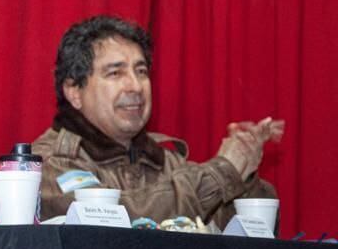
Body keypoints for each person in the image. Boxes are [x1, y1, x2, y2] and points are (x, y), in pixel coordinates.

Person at [32, 15, 281, 226]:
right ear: (74, 91)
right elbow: (118, 222)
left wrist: (245, 169)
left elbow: (239, 237)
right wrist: (223, 171)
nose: (135, 86)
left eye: (141, 72)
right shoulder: (48, 162)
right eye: (115, 73)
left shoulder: (167, 160)